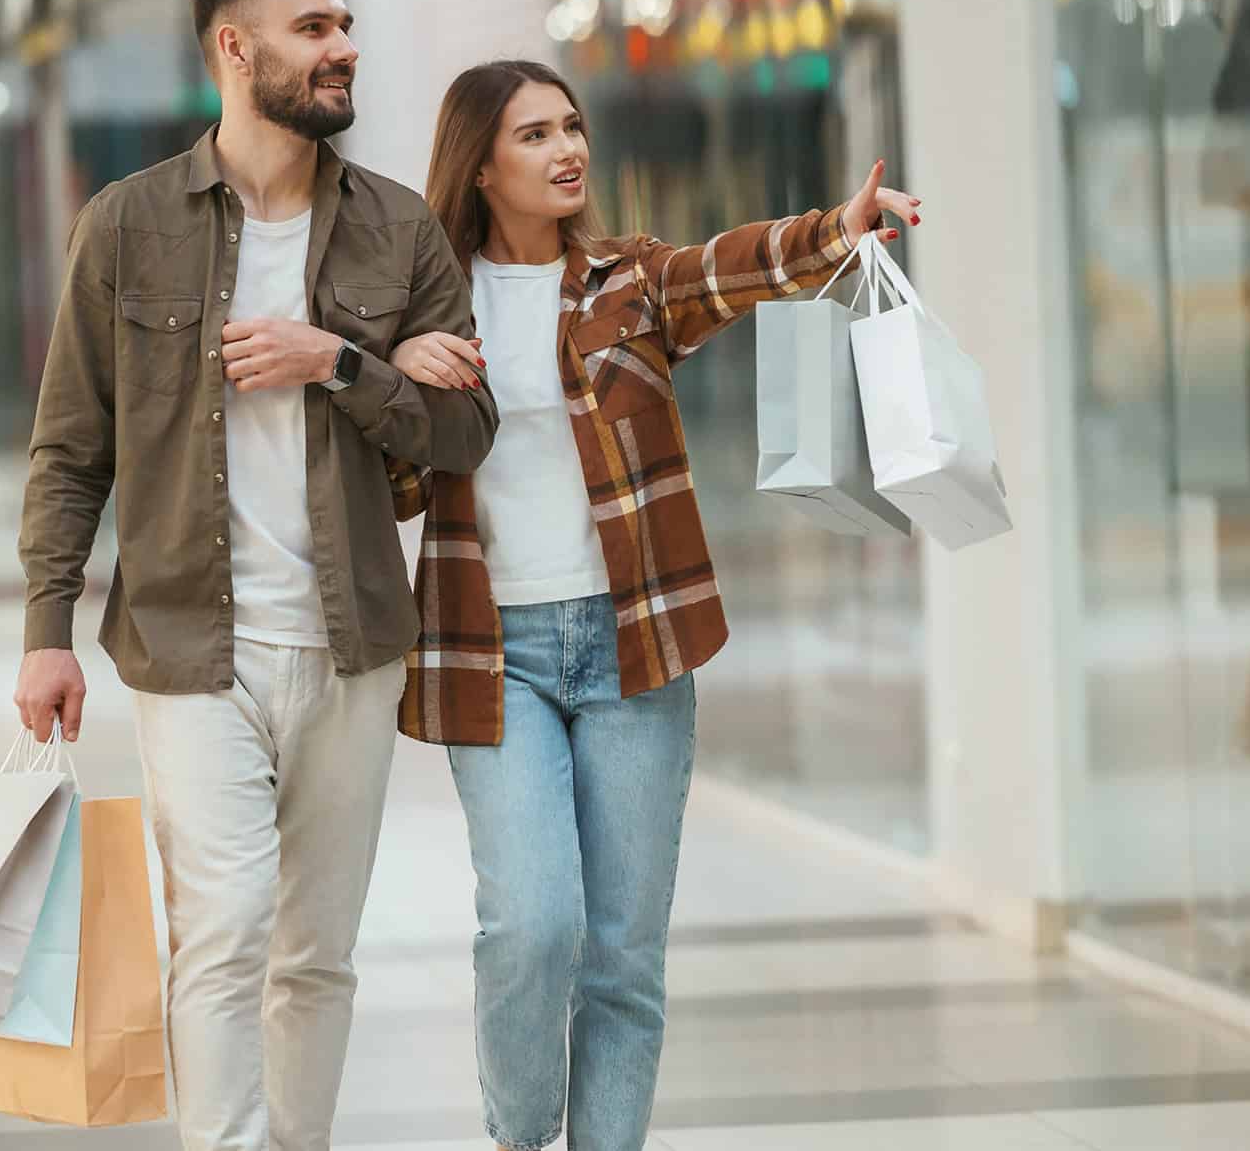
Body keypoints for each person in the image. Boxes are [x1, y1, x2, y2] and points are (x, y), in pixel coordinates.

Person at [11, 0, 497, 1151]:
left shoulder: (397, 230)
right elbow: (73, 446)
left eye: (343, 24)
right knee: (223, 926)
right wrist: (45, 633)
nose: (344, 48)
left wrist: (337, 362)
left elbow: (466, 431)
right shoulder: (127, 227)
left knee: (316, 952)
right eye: (314, 28)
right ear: (236, 47)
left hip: (351, 643)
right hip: (190, 643)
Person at [387, 58, 919, 1151]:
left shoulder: (628, 280)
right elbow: (391, 482)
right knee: (532, 924)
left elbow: (735, 266)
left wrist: (840, 228)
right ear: (480, 164)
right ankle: (520, 1133)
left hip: (637, 642)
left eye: (572, 127)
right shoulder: (431, 303)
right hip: (497, 657)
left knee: (624, 955)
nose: (567, 149)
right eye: (534, 135)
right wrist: (396, 369)